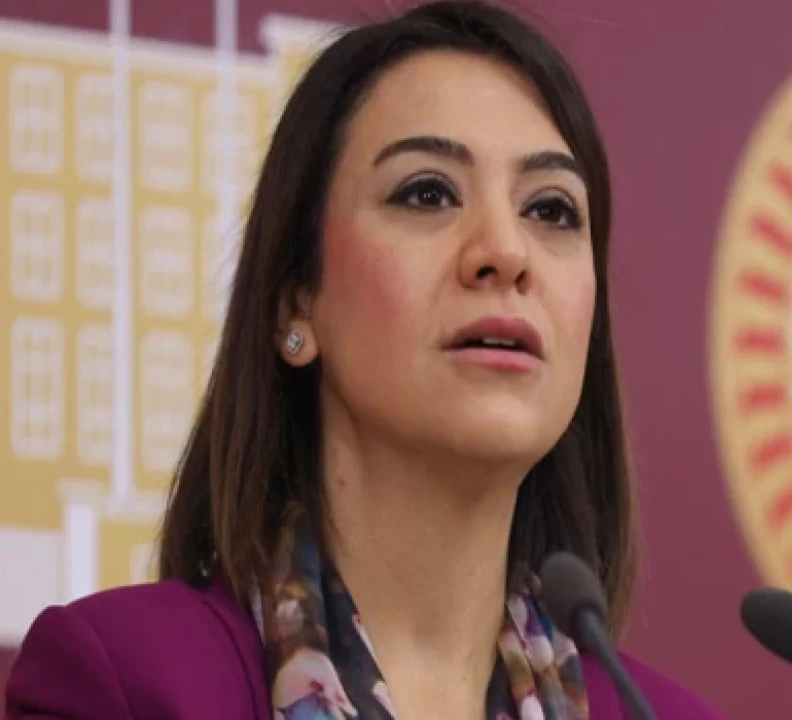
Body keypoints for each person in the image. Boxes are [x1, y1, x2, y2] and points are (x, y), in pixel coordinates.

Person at [4, 2, 722, 718]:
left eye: (551, 210)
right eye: (427, 193)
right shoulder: (126, 683)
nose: (506, 251)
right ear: (296, 301)